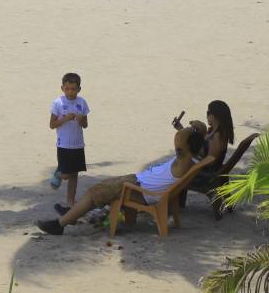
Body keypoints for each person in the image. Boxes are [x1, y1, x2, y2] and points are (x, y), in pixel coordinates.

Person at [36, 127, 208, 235]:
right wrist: (196, 130)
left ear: (186, 146)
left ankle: (60, 224)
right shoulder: (191, 159)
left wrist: (192, 129)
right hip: (138, 183)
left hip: (138, 189)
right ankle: (72, 214)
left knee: (93, 194)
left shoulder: (183, 161)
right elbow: (188, 136)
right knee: (99, 189)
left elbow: (180, 136)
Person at [174, 100, 235, 218]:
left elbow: (209, 161)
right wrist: (182, 130)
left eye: (208, 113)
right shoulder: (213, 131)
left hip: (207, 174)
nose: (207, 115)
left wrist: (191, 157)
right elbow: (201, 146)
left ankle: (173, 203)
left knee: (176, 169)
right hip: (212, 169)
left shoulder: (217, 136)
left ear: (216, 116)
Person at [48, 73, 89, 209]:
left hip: (78, 144)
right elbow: (52, 124)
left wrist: (81, 119)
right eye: (67, 89)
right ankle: (59, 173)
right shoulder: (58, 103)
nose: (70, 92)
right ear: (62, 88)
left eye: (73, 89)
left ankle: (70, 202)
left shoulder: (82, 102)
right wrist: (65, 119)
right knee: (66, 175)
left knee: (74, 174)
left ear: (79, 89)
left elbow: (85, 125)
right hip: (64, 144)